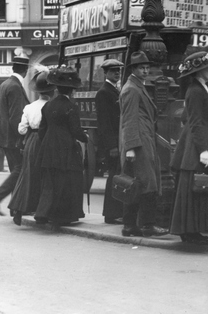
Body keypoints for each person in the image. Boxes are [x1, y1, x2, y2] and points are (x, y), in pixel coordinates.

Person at [170, 51, 208, 245]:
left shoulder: (201, 88)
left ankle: (192, 230)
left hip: (203, 140)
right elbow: (194, 122)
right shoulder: (195, 90)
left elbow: (191, 118)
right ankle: (188, 232)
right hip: (196, 145)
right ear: (200, 71)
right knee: (196, 186)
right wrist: (202, 149)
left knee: (199, 188)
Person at [118, 52, 168, 238]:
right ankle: (146, 225)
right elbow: (129, 120)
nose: (146, 70)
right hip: (138, 142)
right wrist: (130, 148)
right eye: (142, 67)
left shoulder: (136, 86)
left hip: (143, 139)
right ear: (133, 69)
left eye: (147, 67)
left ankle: (131, 226)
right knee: (146, 183)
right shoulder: (132, 88)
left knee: (137, 184)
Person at [34, 66, 88, 226]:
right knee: (66, 182)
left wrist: (48, 142)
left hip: (48, 149)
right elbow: (76, 130)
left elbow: (41, 130)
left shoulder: (47, 106)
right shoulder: (71, 107)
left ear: (56, 88)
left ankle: (43, 213)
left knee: (50, 183)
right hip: (66, 149)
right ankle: (62, 216)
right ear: (71, 90)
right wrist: (86, 138)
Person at [8, 69, 55, 226]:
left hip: (30, 142)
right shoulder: (51, 106)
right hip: (45, 141)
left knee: (27, 176)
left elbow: (21, 129)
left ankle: (18, 210)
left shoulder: (29, 107)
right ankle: (42, 212)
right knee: (45, 177)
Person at [0, 55, 30, 215]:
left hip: (4, 137)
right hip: (13, 138)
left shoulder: (5, 84)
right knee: (20, 170)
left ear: (13, 68)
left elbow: (1, 112)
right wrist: (22, 137)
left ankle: (15, 209)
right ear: (25, 70)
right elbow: (16, 117)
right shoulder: (16, 87)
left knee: (15, 171)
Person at [95, 58, 124, 225]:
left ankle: (114, 213)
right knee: (114, 176)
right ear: (105, 73)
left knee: (117, 175)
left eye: (118, 71)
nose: (117, 74)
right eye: (113, 71)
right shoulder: (104, 92)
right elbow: (104, 123)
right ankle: (111, 214)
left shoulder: (115, 90)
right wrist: (112, 146)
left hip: (118, 140)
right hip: (113, 143)